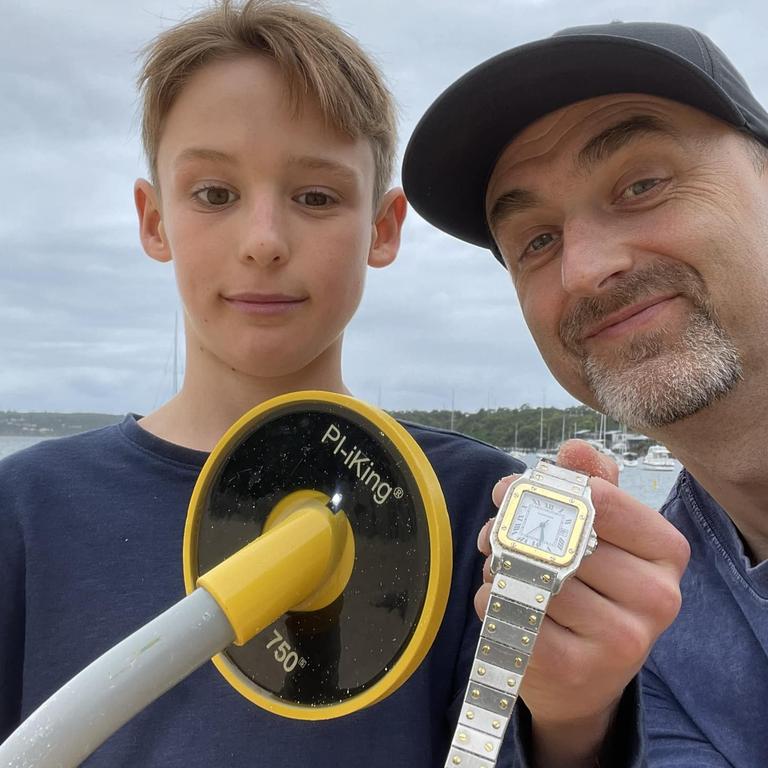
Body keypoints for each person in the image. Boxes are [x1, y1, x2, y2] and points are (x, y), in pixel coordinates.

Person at [0, 2, 526, 766]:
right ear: (154, 221)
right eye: (214, 194)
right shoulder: (26, 513)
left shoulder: (480, 511)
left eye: (316, 197)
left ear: (383, 228)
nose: (264, 243)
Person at [403, 19, 768, 768]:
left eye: (641, 184)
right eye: (536, 241)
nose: (584, 270)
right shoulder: (653, 614)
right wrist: (577, 726)